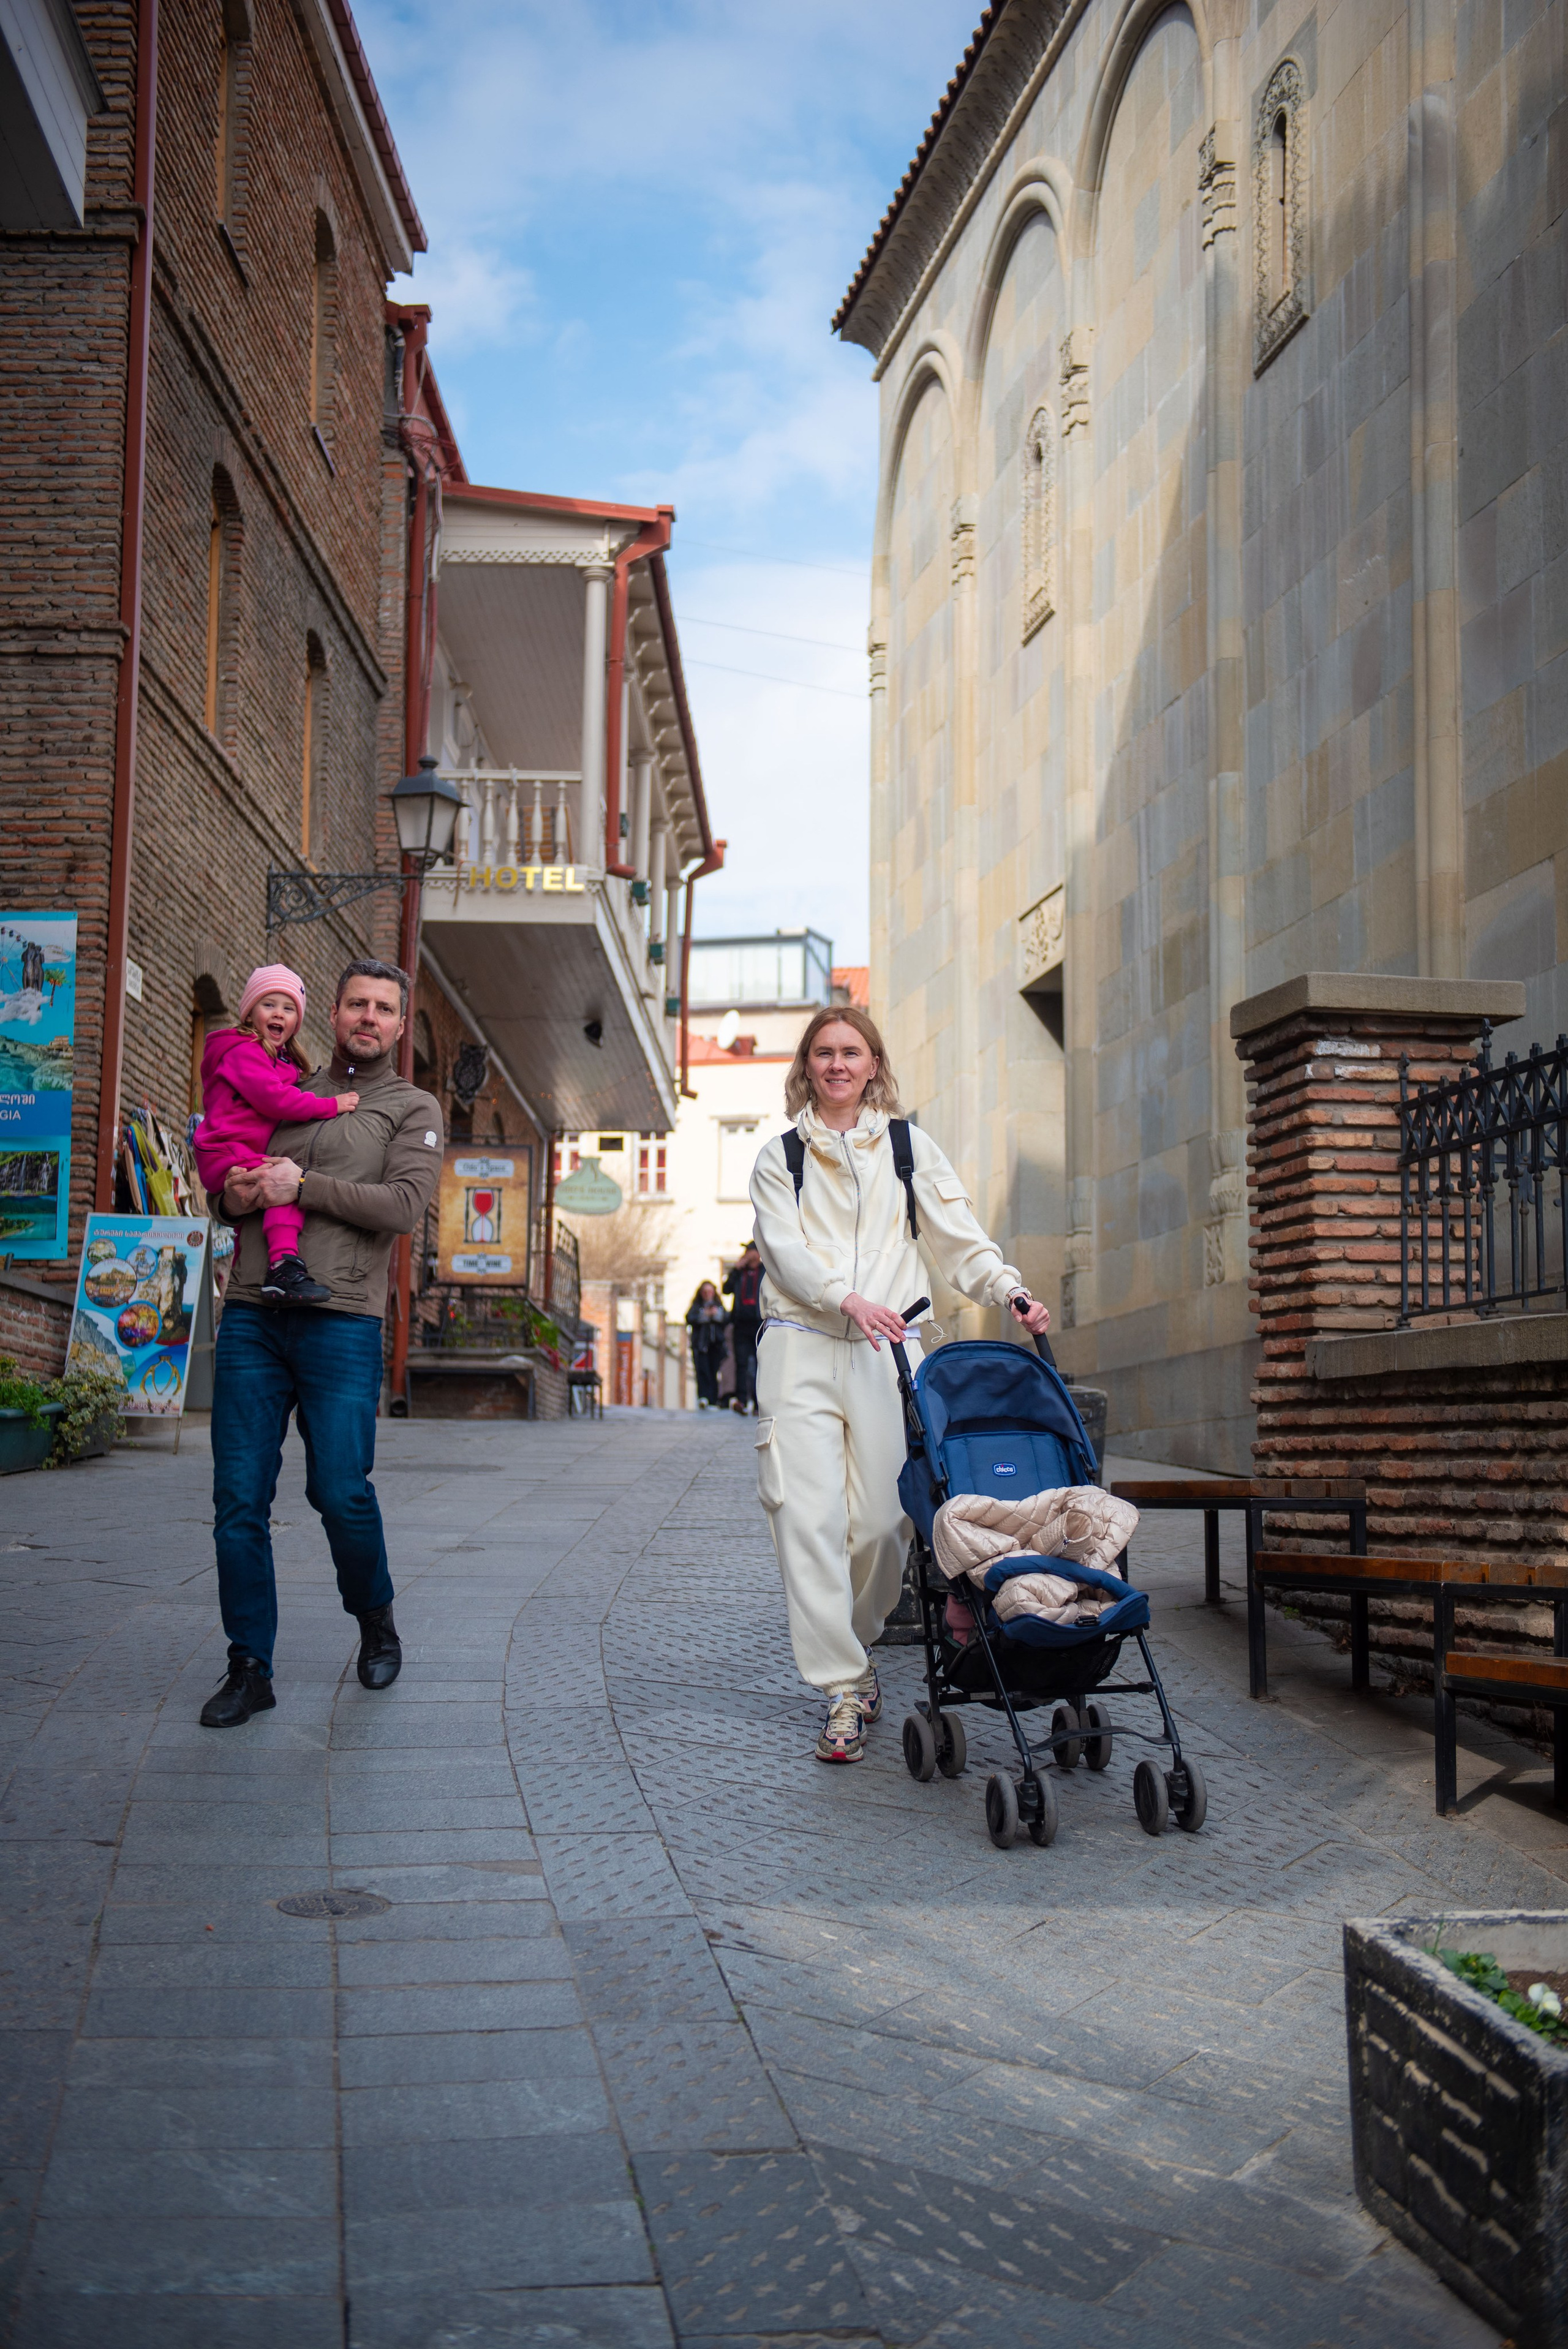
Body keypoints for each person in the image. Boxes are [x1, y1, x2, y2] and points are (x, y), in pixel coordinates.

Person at [750, 1005, 1052, 1764]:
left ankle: (851, 1640)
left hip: (891, 1353)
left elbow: (960, 1238)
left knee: (885, 1523)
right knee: (807, 1521)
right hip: (800, 1347)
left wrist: (1008, 1290)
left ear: (874, 1064)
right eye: (823, 1052)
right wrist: (842, 1296)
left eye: (851, 1051)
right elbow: (783, 1254)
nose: (837, 1064)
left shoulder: (909, 1148)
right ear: (807, 1066)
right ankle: (843, 1687)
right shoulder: (777, 1156)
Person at [198, 959, 444, 1730]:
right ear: (332, 1015)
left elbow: (403, 1206)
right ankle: (249, 1664)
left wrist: (300, 1184)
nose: (367, 1018)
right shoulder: (280, 1081)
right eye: (354, 1005)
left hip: (342, 1318)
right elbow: (232, 1157)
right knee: (239, 1495)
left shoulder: (410, 1106)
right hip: (252, 1310)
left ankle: (374, 1615)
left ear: (401, 1026)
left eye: (383, 1009)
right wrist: (229, 1193)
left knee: (338, 1489)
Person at [192, 962, 360, 1305]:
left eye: (288, 1008)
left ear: (297, 1021)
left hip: (232, 1149)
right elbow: (276, 1099)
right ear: (250, 1011)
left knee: (265, 1199)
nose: (279, 1014)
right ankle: (283, 1266)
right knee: (287, 1185)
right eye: (269, 1004)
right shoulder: (243, 1051)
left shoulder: (279, 1059)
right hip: (225, 1150)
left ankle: (248, 1271)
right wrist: (331, 1105)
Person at [723, 1240, 764, 1413]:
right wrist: (735, 1270)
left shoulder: (765, 1270)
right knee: (740, 1363)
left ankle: (758, 1403)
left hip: (759, 1323)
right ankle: (741, 1400)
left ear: (757, 1253)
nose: (747, 1255)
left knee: (760, 1362)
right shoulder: (739, 1273)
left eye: (750, 1251)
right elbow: (726, 1289)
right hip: (741, 1324)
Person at [685, 1279, 728, 1408]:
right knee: (702, 1371)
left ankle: (714, 1400)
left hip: (716, 1345)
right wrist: (704, 1314)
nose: (708, 1294)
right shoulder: (697, 1306)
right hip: (701, 1345)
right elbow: (689, 1318)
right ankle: (703, 1397)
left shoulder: (719, 1306)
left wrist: (716, 1315)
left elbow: (727, 1318)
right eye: (705, 1292)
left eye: (710, 1291)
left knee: (714, 1372)